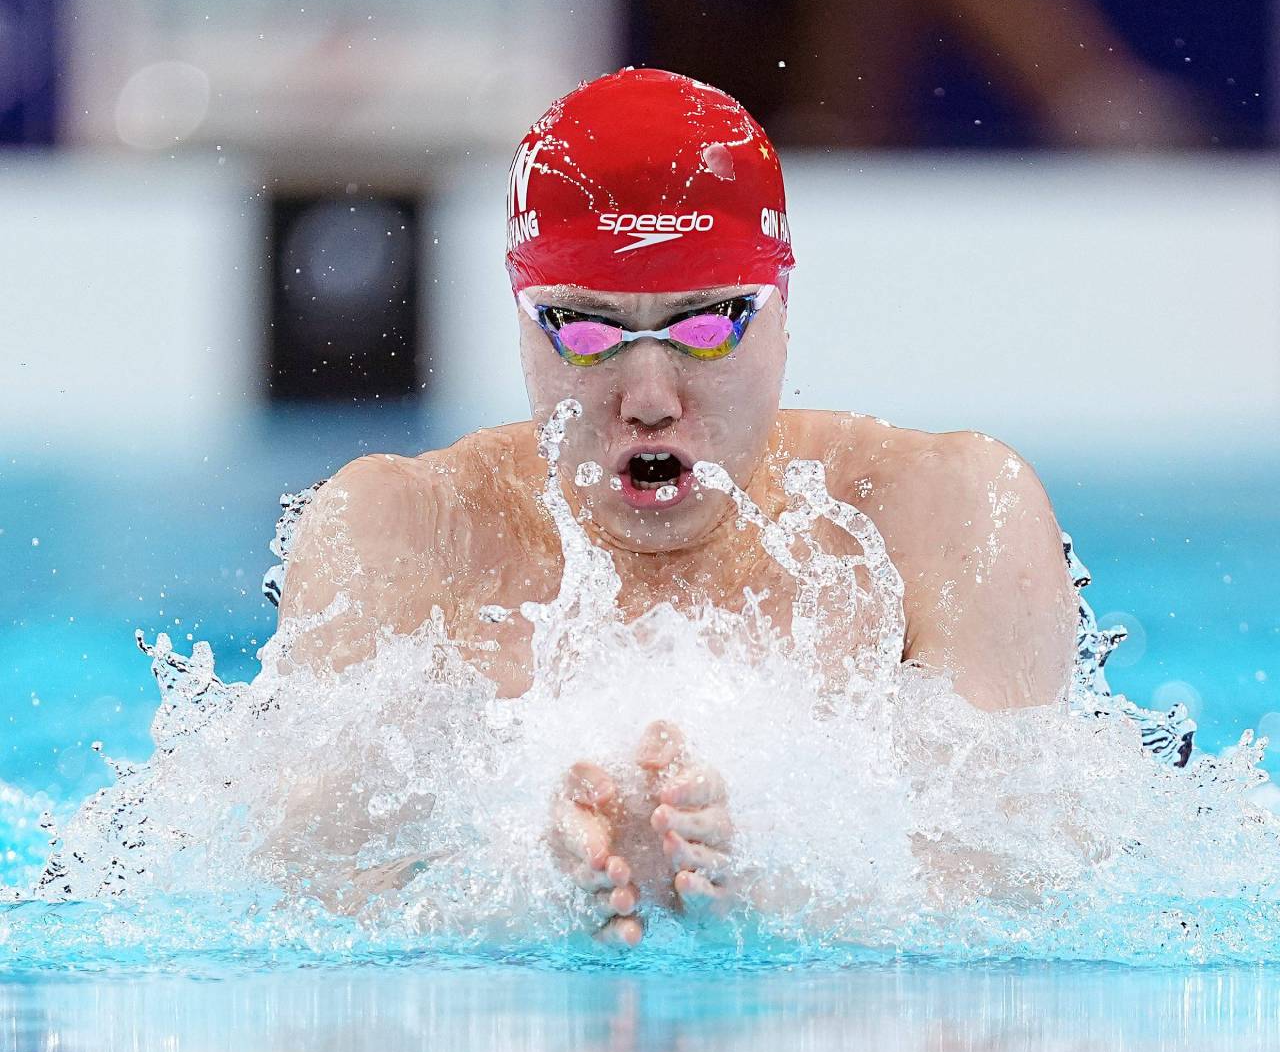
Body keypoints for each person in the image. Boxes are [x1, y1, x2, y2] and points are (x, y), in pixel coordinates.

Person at [271, 66, 1082, 947]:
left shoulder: (950, 516)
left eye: (706, 324)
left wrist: (786, 876)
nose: (649, 395)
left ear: (782, 314)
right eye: (584, 330)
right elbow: (292, 904)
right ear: (521, 325)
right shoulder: (401, 533)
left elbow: (1029, 894)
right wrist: (508, 881)